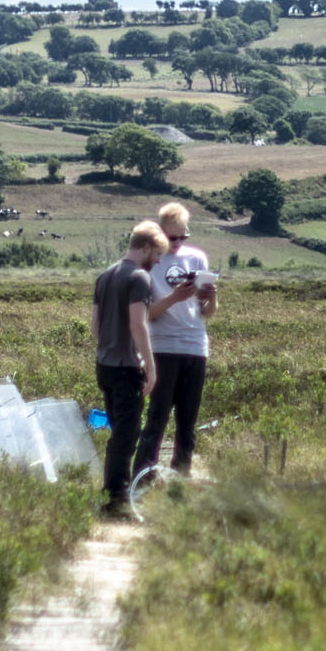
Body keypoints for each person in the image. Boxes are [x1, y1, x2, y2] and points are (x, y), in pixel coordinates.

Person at [137, 202, 218, 478]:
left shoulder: (197, 258)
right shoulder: (150, 263)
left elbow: (207, 313)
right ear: (160, 233)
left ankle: (181, 480)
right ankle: (144, 479)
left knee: (188, 423)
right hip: (163, 347)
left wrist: (212, 297)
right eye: (173, 238)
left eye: (184, 236)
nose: (178, 243)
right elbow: (145, 314)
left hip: (195, 347)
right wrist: (175, 298)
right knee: (156, 420)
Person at [92, 221, 164, 519]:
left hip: (104, 366)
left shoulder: (105, 274)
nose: (158, 260)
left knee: (117, 435)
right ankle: (117, 504)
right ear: (145, 247)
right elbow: (138, 323)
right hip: (125, 369)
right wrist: (150, 365)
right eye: (157, 254)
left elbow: (95, 327)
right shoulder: (139, 278)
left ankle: (112, 497)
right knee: (126, 436)